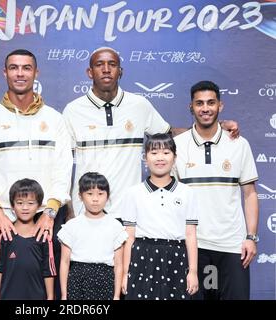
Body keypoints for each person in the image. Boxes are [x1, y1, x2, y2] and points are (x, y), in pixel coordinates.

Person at [63, 47, 238, 219]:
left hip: (129, 212)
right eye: (99, 64)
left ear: (121, 71)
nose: (106, 69)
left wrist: (216, 127)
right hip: (86, 212)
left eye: (112, 64)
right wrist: (70, 209)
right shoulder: (73, 110)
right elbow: (64, 165)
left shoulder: (139, 105)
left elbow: (169, 134)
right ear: (89, 72)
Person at [0, 49, 72, 299]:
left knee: (46, 290)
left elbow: (63, 169)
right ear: (5, 73)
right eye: (14, 67)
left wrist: (50, 212)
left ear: (36, 73)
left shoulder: (55, 119)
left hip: (45, 221)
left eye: (26, 68)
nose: (20, 73)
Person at [173, 80, 259, 300]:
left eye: (211, 103)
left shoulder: (239, 144)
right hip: (193, 247)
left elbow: (249, 194)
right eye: (199, 103)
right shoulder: (178, 145)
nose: (205, 108)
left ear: (220, 106)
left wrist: (250, 237)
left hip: (233, 246)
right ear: (190, 107)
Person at [121, 133, 198, 300]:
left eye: (166, 152)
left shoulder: (187, 192)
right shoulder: (133, 193)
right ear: (145, 158)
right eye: (154, 153)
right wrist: (125, 273)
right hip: (142, 257)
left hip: (176, 258)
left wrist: (192, 271)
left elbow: (190, 234)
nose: (160, 158)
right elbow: (129, 237)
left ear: (175, 157)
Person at [58, 172, 127, 300]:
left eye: (100, 194)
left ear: (107, 196)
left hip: (106, 280)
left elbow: (118, 265)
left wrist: (117, 296)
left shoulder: (115, 226)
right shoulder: (71, 226)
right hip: (77, 280)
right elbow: (64, 262)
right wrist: (63, 295)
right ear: (80, 196)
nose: (95, 199)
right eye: (90, 194)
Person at [0, 178, 56, 300]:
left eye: (30, 203)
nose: (25, 207)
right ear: (12, 206)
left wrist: (50, 297)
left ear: (39, 206)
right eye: (20, 203)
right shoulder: (5, 235)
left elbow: (49, 270)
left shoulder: (44, 237)